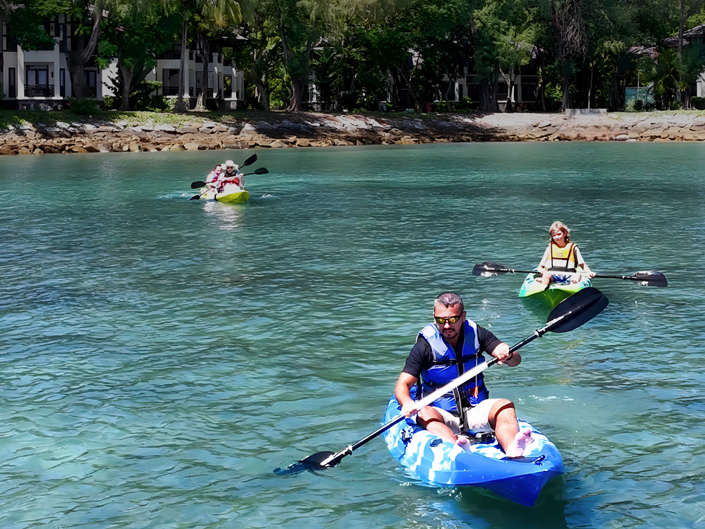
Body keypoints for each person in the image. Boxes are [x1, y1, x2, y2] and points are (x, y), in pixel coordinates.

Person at [394, 292, 533, 458]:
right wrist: (407, 402)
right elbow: (403, 385)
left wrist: (507, 354)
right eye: (441, 320)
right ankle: (458, 449)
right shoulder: (425, 346)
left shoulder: (476, 334)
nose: (446, 326)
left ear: (463, 316)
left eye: (452, 320)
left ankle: (512, 448)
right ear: (434, 317)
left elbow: (515, 360)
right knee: (424, 413)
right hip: (442, 413)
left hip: (475, 409)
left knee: (505, 405)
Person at [536, 221, 594, 285]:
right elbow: (540, 266)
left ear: (565, 233)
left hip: (569, 275)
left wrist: (589, 272)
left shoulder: (573, 247)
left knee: (577, 274)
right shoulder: (550, 247)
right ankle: (544, 287)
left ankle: (573, 287)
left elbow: (583, 265)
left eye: (559, 234)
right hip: (553, 275)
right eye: (554, 235)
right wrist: (541, 270)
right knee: (546, 274)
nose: (556, 237)